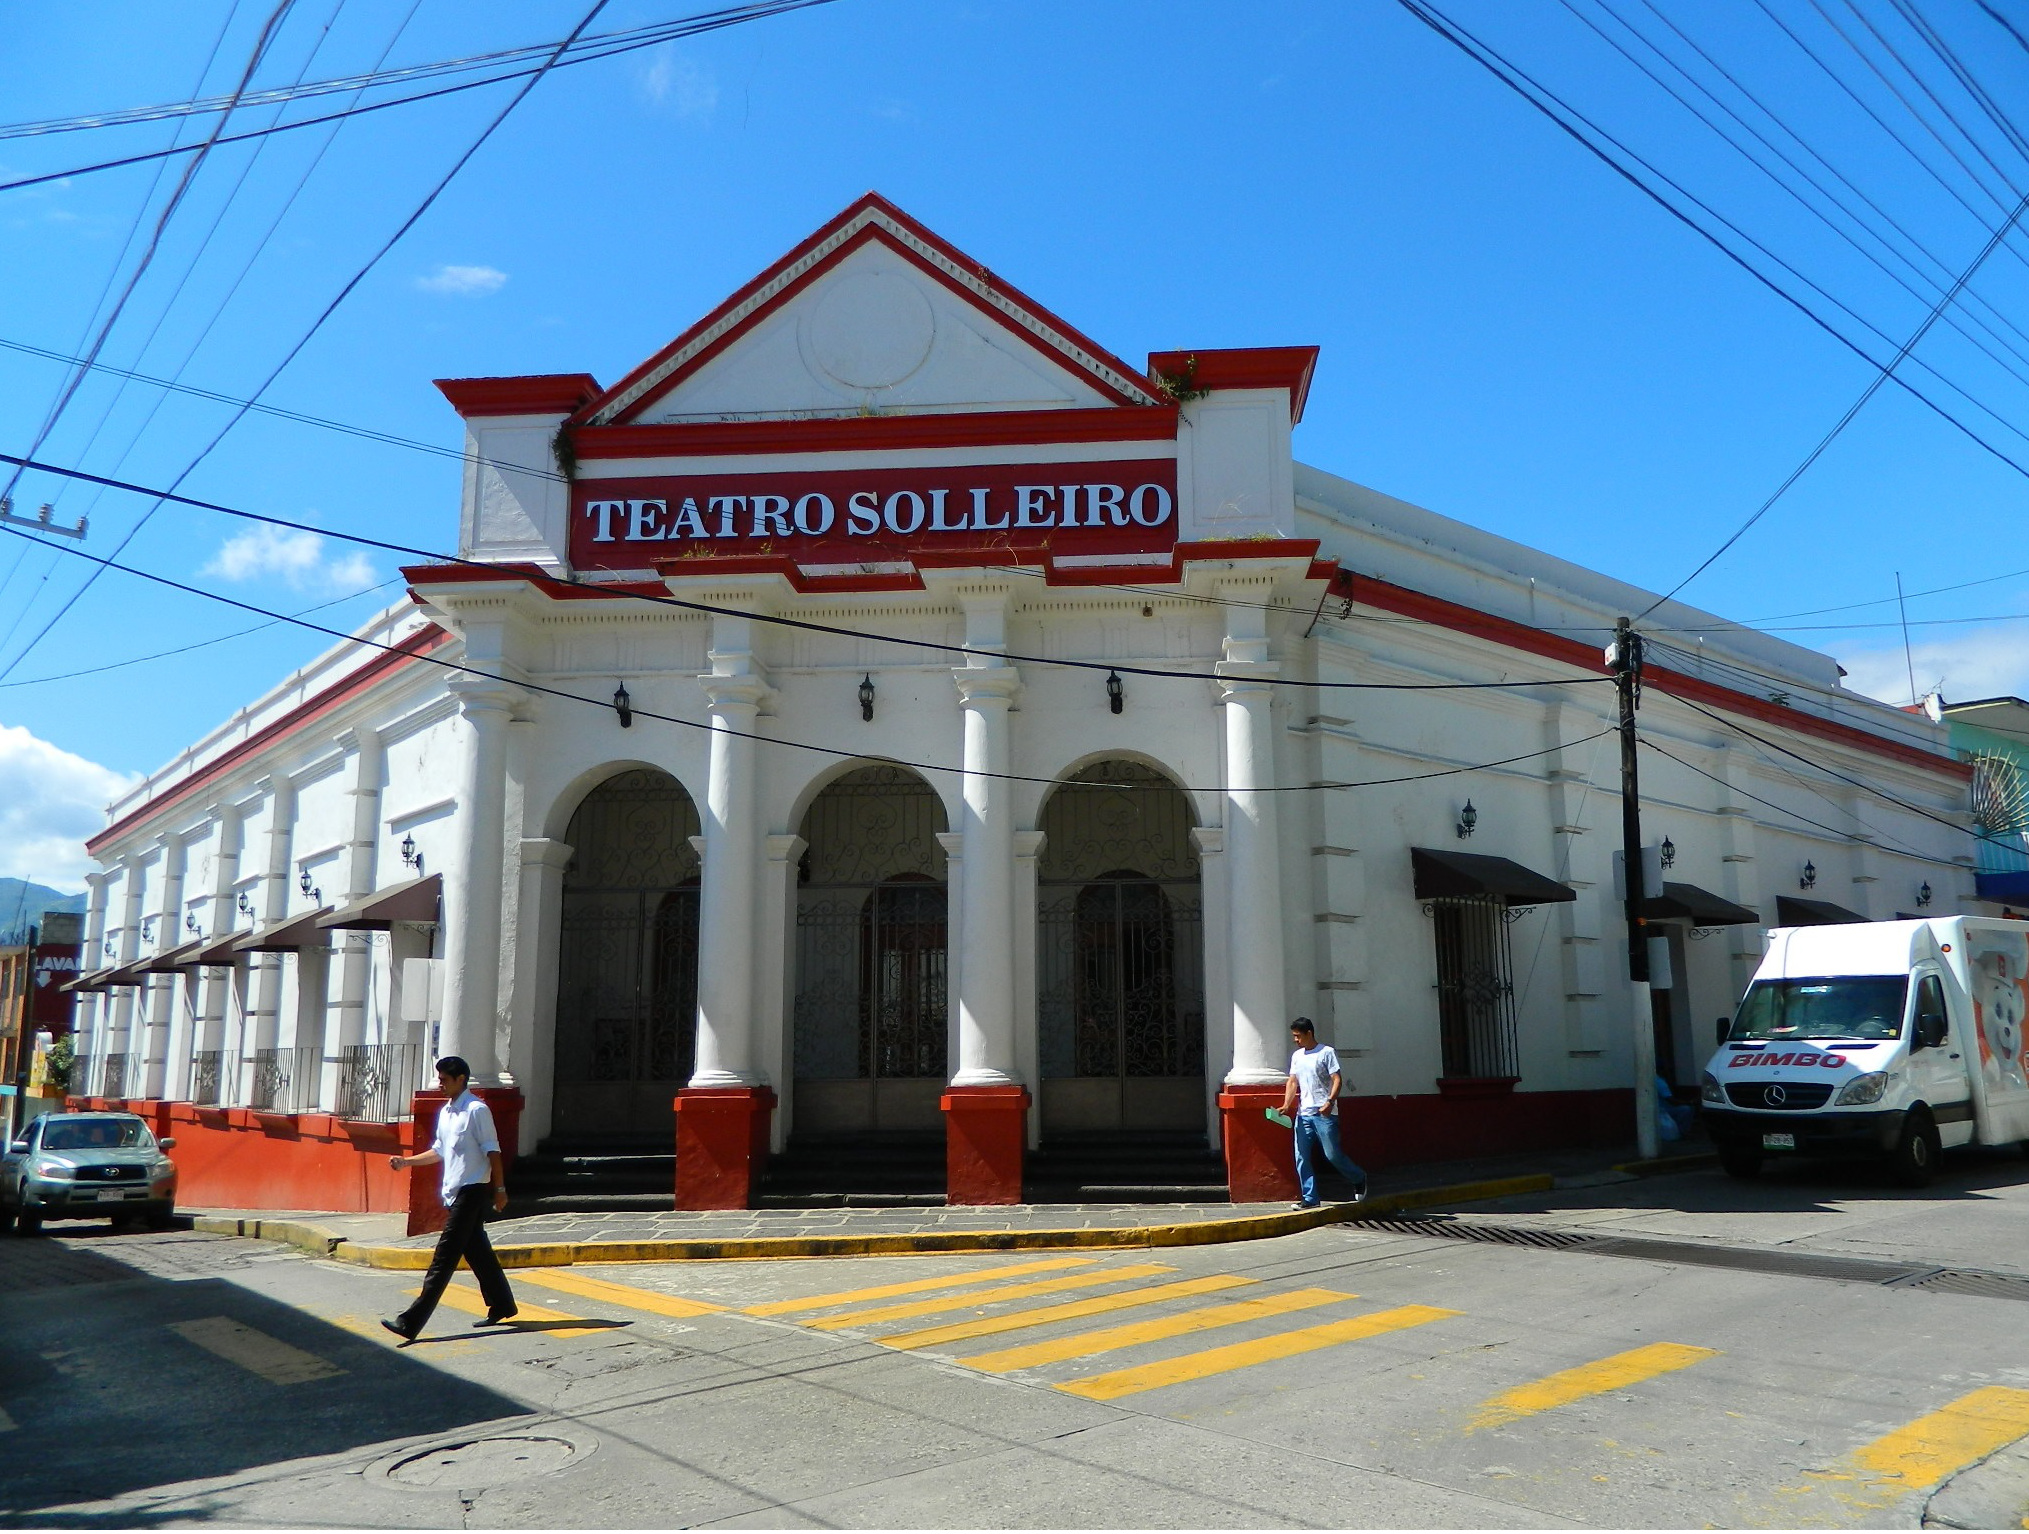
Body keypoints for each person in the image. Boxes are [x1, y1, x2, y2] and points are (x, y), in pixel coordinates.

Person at [381, 1056, 517, 1342]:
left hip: (472, 1191)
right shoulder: (446, 1112)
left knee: (443, 1259)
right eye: (439, 1078)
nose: (440, 1083)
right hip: (454, 1193)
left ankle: (410, 1322)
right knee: (477, 1252)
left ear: (461, 1080)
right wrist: (407, 1162)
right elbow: (439, 1150)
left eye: (444, 1079)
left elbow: (494, 1152)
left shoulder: (477, 1110)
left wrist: (500, 1190)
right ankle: (503, 1305)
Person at [1281, 1018, 1368, 1210]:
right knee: (1301, 1156)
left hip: (1325, 1114)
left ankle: (1358, 1177)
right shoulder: (1297, 1056)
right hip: (1303, 1115)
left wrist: (1330, 1101)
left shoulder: (1326, 1052)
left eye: (1298, 1036)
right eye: (1294, 1036)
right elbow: (1292, 1082)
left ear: (1309, 1033)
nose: (1295, 1040)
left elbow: (1337, 1079)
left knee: (1332, 1155)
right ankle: (1310, 1198)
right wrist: (1287, 1104)